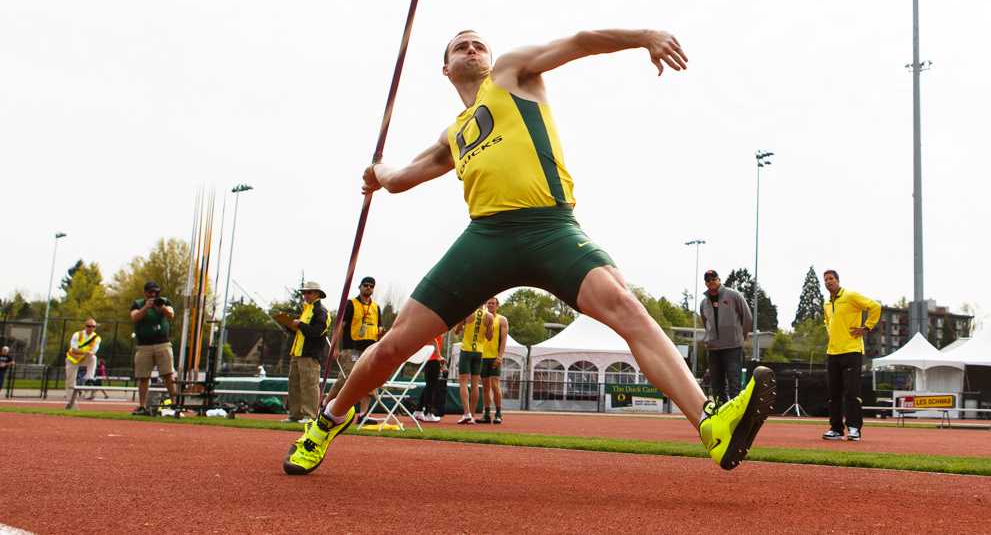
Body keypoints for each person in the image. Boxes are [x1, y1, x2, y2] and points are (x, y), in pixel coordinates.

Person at [283, 28, 775, 475]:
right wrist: (379, 173)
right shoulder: (453, 134)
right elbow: (404, 177)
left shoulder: (511, 73)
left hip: (550, 226)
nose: (472, 49)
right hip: (486, 239)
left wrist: (644, 36)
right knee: (394, 344)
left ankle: (712, 425)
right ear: (445, 68)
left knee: (625, 305)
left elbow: (580, 41)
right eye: (460, 46)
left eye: (478, 43)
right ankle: (327, 421)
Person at [820, 270, 880, 442]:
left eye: (831, 279)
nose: (828, 282)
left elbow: (875, 306)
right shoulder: (826, 303)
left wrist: (866, 327)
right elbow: (827, 321)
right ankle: (836, 429)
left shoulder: (851, 296)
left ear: (838, 280)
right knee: (834, 394)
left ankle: (854, 429)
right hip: (832, 353)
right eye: (825, 280)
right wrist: (831, 333)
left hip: (852, 351)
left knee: (851, 392)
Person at [328, 276, 382, 424]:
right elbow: (340, 326)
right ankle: (326, 406)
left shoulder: (376, 307)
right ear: (360, 287)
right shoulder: (351, 304)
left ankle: (363, 415)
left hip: (370, 350)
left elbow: (379, 327)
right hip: (352, 348)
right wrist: (336, 348)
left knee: (368, 382)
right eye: (366, 285)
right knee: (345, 379)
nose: (368, 288)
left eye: (371, 286)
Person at [698, 270, 751, 406]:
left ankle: (737, 412)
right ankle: (722, 411)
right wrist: (710, 338)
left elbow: (747, 317)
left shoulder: (733, 295)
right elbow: (706, 323)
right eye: (708, 280)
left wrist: (741, 337)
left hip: (733, 347)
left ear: (719, 279)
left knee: (734, 383)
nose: (711, 282)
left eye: (714, 279)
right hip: (714, 348)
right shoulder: (704, 303)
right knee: (716, 385)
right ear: (705, 283)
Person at [131, 281, 178, 415]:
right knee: (143, 376)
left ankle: (175, 404)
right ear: (145, 292)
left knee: (168, 374)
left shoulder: (164, 301)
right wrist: (146, 307)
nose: (153, 294)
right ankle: (142, 406)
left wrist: (161, 307)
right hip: (144, 345)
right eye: (150, 292)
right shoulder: (138, 304)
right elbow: (134, 317)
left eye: (155, 292)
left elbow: (171, 315)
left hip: (162, 343)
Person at [285, 281, 329, 423]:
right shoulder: (306, 309)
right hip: (297, 353)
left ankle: (310, 416)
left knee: (309, 385)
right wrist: (290, 326)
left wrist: (300, 325)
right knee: (294, 385)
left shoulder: (320, 311)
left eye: (308, 292)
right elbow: (302, 331)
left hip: (310, 355)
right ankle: (294, 415)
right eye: (304, 292)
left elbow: (317, 331)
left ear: (317, 294)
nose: (305, 295)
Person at [452, 305, 488, 424]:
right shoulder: (488, 316)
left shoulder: (468, 312)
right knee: (475, 384)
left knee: (463, 382)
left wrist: (461, 325)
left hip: (467, 350)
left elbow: (456, 331)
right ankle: (472, 415)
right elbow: (489, 336)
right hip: (479, 351)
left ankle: (466, 413)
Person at [479, 297, 509, 424]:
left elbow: (503, 340)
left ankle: (498, 413)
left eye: (493, 303)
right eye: (488, 303)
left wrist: (500, 356)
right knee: (485, 387)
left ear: (497, 305)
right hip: (482, 356)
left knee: (495, 385)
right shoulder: (482, 318)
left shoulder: (502, 320)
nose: (490, 305)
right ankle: (486, 414)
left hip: (494, 356)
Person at [415, 333, 446, 422]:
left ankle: (419, 410)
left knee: (430, 386)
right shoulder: (437, 325)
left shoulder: (437, 326)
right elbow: (433, 340)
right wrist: (438, 355)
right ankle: (428, 413)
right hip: (433, 358)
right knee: (431, 386)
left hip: (431, 358)